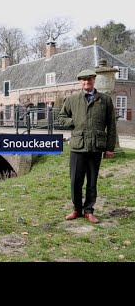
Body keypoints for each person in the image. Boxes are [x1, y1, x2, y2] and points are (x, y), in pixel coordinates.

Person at [58, 69, 116, 223]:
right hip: (78, 146)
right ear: (80, 82)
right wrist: (74, 122)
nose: (86, 82)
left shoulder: (105, 99)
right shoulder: (73, 98)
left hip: (96, 146)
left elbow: (111, 124)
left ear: (93, 80)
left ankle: (89, 210)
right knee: (75, 180)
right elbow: (62, 117)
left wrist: (110, 148)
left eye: (89, 79)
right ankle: (77, 209)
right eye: (83, 80)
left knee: (92, 180)